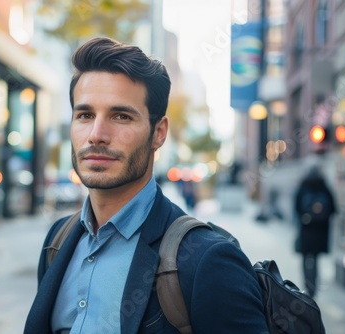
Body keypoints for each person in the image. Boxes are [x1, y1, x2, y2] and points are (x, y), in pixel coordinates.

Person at [24, 37, 268, 333]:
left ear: (159, 133)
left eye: (121, 116)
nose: (96, 134)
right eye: (85, 115)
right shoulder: (58, 239)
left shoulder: (207, 260)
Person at [294, 165, 336, 298]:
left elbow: (296, 208)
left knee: (306, 258)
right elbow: (334, 209)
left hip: (306, 230)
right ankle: (314, 287)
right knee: (316, 259)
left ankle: (307, 285)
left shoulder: (303, 186)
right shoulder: (324, 187)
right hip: (320, 233)